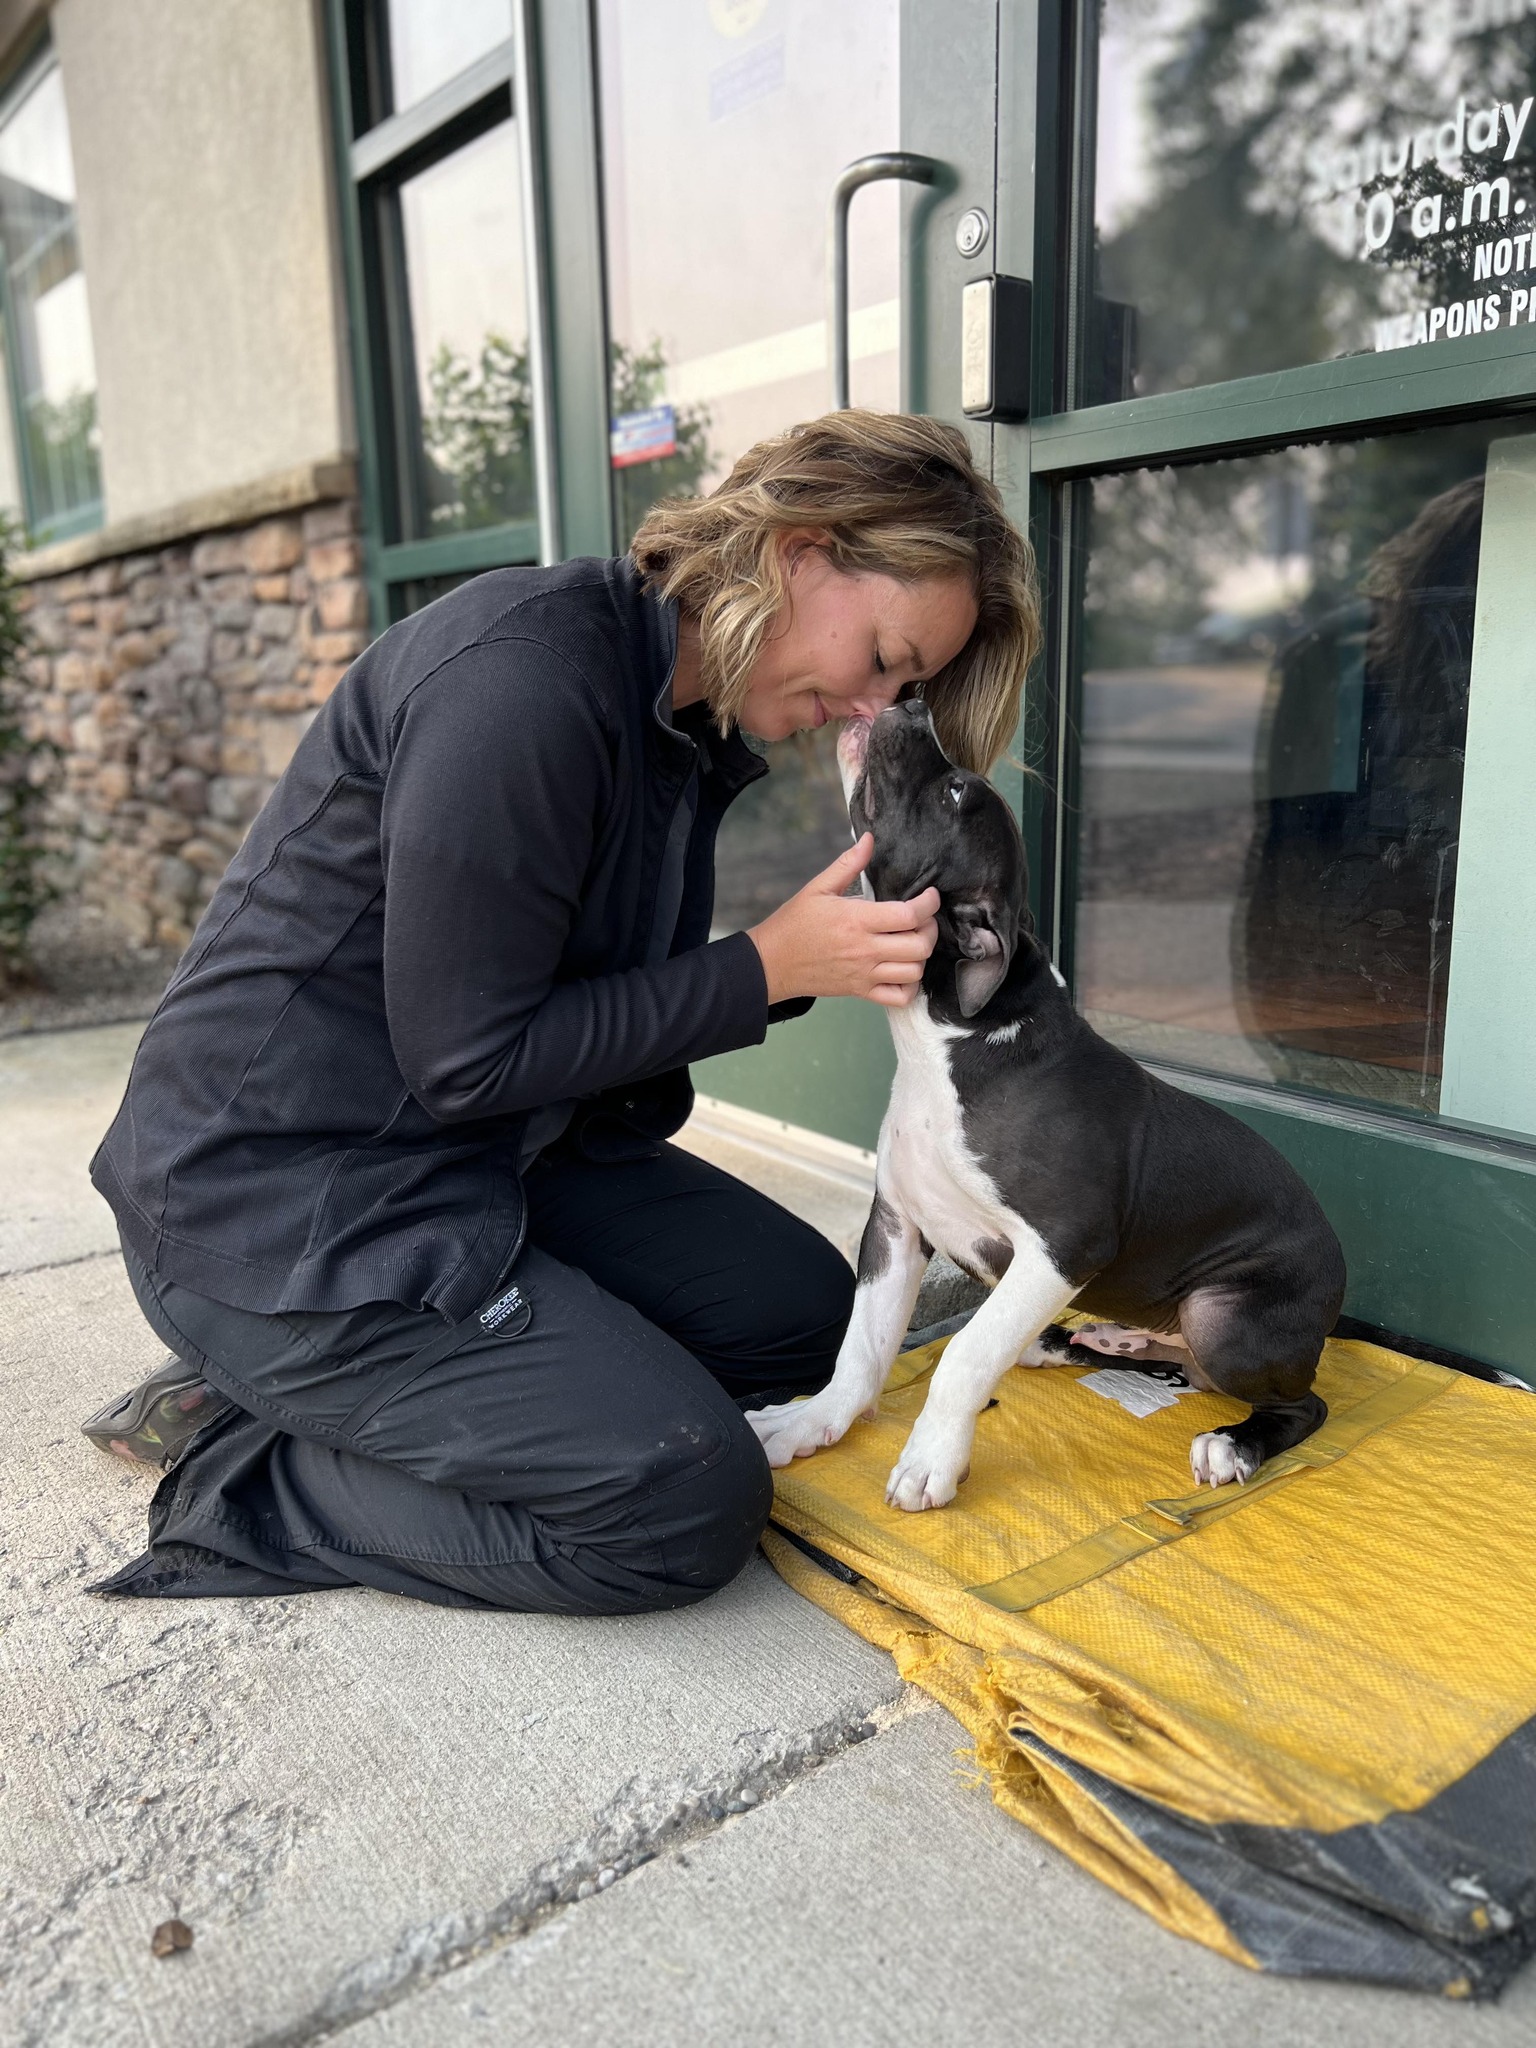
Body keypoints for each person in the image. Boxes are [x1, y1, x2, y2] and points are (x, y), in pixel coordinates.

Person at [82, 410, 1038, 1614]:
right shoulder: (523, 683)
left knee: (809, 1327)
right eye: (889, 659)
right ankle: (259, 1464)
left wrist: (793, 963)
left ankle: (402, 1387)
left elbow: (547, 1017)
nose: (874, 708)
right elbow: (468, 1057)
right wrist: (765, 965)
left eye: (906, 687)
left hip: (485, 1150)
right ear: (801, 549)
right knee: (682, 1495)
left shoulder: (678, 716)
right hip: (281, 1201)